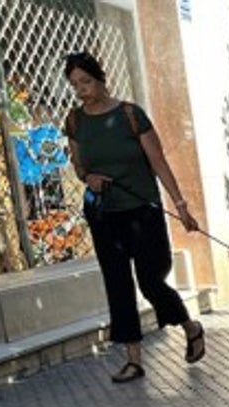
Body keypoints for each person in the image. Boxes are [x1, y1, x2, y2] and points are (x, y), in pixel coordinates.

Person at [62, 51, 205, 384]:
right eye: (74, 85)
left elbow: (158, 162)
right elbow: (78, 162)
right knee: (118, 285)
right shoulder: (74, 121)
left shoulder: (130, 115)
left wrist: (181, 205)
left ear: (100, 78)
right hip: (103, 213)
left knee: (151, 281)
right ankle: (134, 360)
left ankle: (190, 326)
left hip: (142, 211)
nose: (81, 90)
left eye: (86, 81)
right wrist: (87, 178)